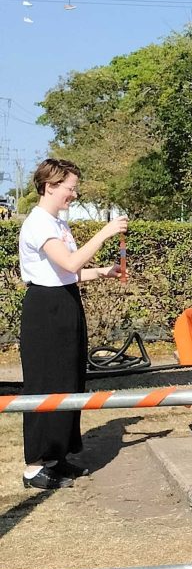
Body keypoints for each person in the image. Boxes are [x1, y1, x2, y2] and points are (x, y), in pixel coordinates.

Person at [17, 159, 128, 492]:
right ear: (50, 186)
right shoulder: (39, 224)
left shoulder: (57, 223)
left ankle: (57, 455)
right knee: (45, 384)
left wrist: (103, 272)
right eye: (70, 188)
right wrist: (106, 232)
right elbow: (70, 261)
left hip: (66, 302)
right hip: (45, 310)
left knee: (68, 380)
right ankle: (35, 466)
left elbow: (71, 272)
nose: (74, 194)